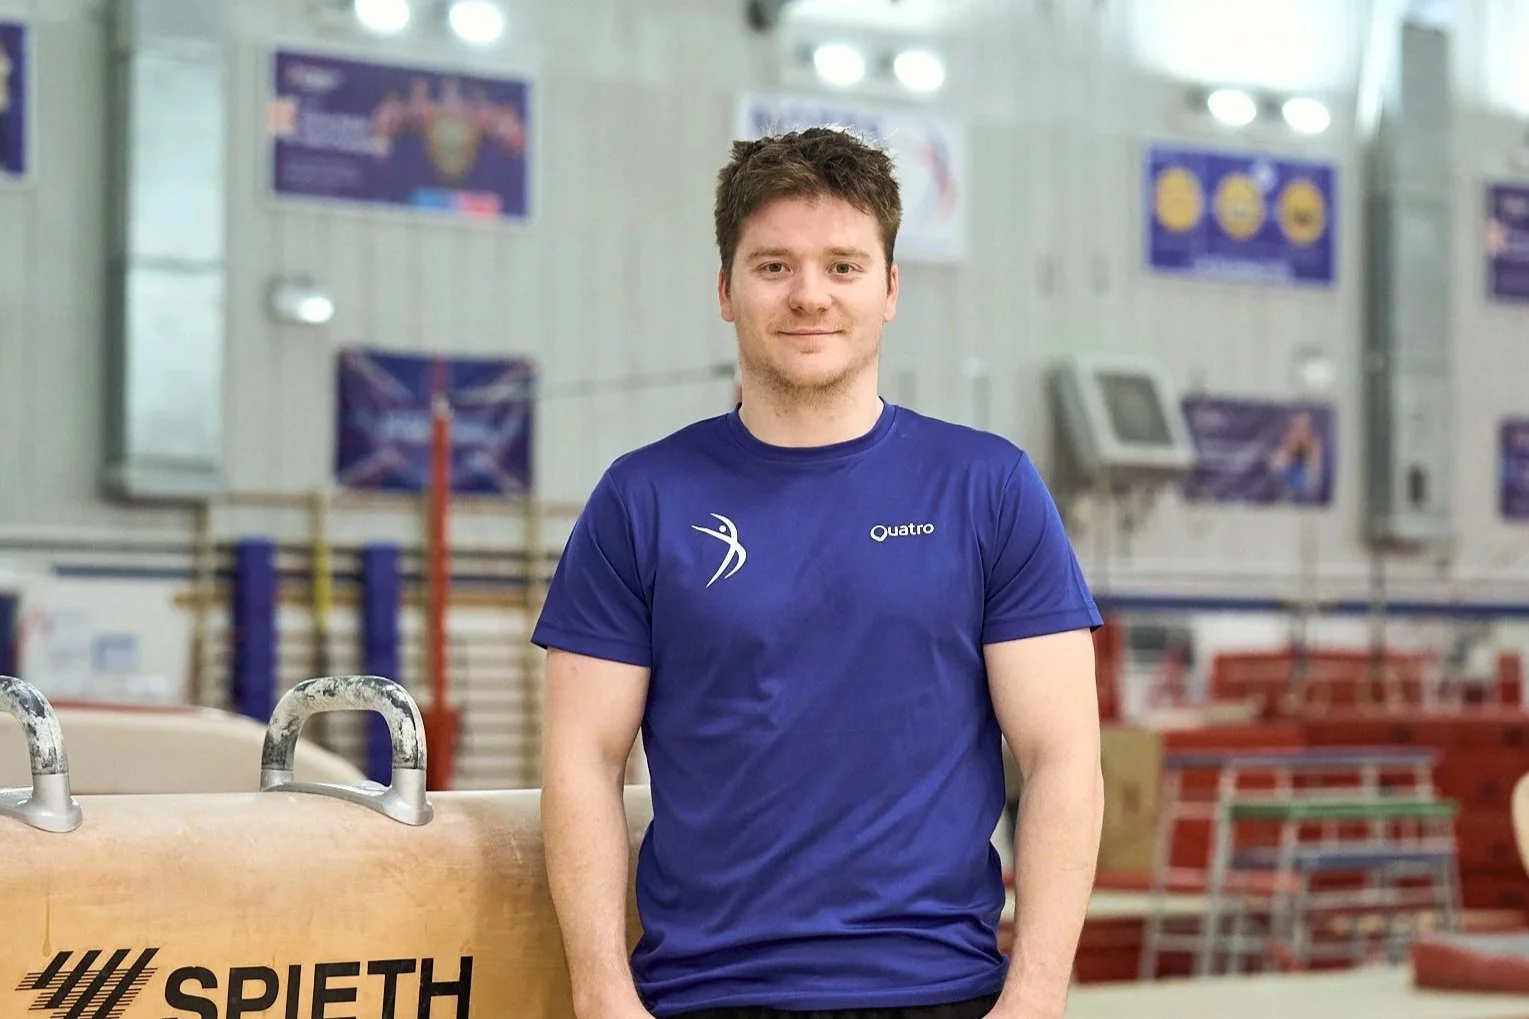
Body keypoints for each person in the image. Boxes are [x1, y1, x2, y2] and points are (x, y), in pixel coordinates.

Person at [535, 126, 1104, 1019]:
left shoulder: (987, 487)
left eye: (842, 266)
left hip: (938, 989)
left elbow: (1061, 755)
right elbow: (582, 758)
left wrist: (1035, 993)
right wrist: (602, 991)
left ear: (889, 290)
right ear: (725, 290)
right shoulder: (641, 498)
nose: (809, 296)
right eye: (773, 266)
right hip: (705, 992)